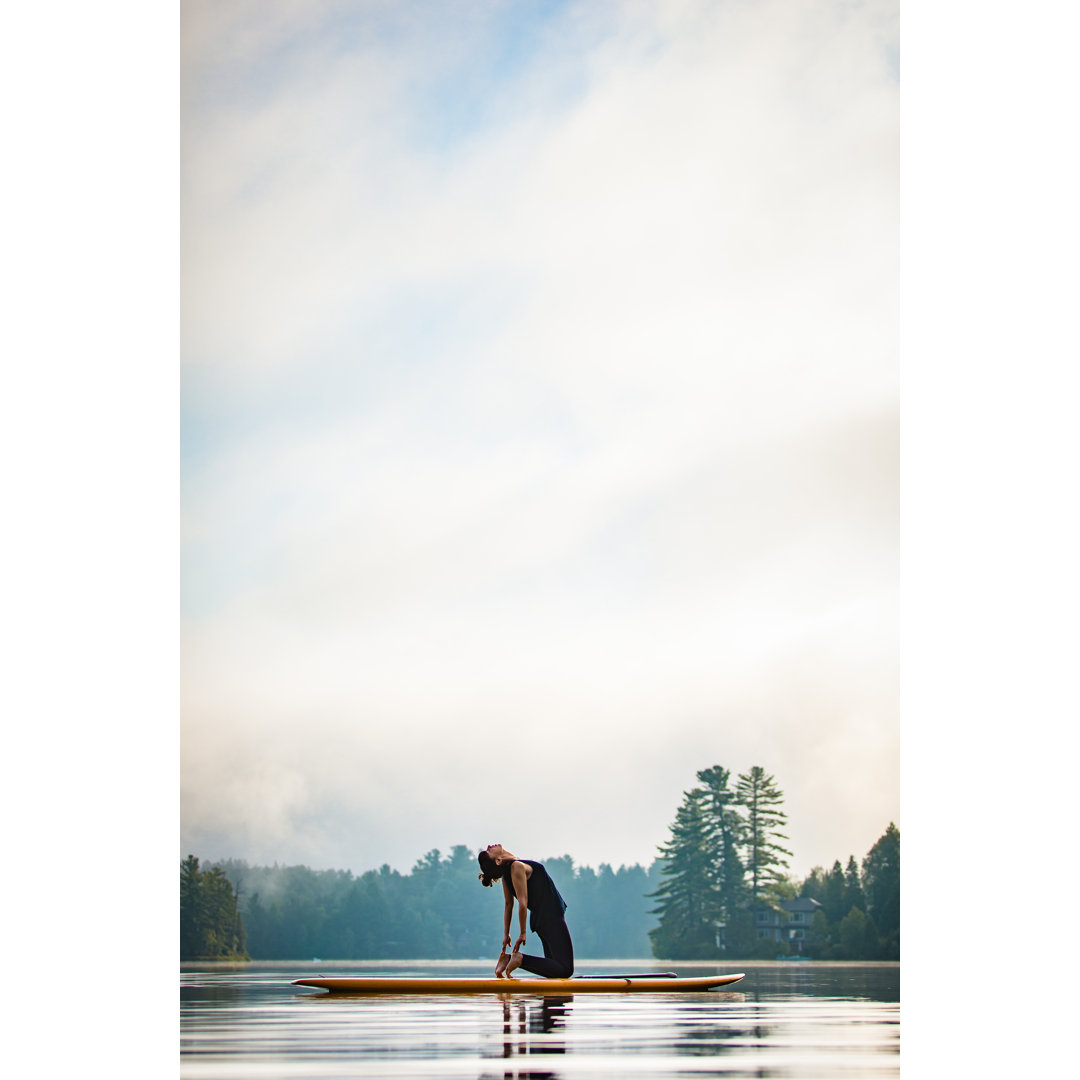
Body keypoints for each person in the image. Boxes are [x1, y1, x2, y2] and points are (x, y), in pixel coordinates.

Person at [477, 843, 574, 979]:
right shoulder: (516, 866)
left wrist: (507, 934)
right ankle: (519, 959)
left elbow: (508, 904)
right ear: (498, 860)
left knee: (556, 970)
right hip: (551, 917)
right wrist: (522, 933)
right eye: (489, 850)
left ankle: (508, 959)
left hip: (542, 920)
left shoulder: (508, 871)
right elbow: (522, 902)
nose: (489, 845)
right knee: (566, 970)